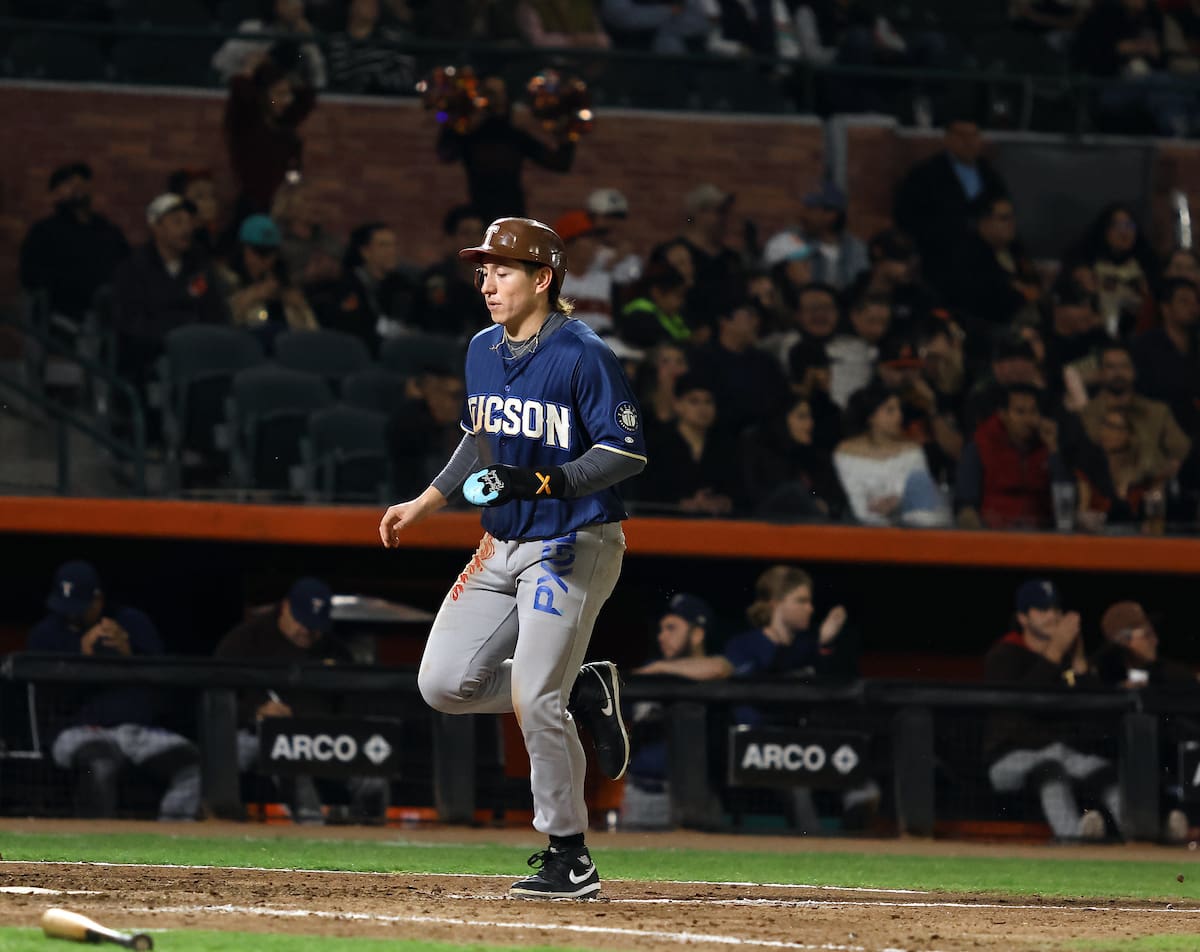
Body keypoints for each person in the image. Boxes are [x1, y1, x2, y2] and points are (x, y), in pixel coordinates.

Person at [378, 216, 646, 899]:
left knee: (532, 695)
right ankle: (582, 689)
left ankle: (569, 854)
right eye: (484, 271)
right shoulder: (480, 349)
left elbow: (626, 452)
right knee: (442, 684)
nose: (488, 283)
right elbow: (479, 438)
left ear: (542, 279)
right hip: (500, 543)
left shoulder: (584, 352)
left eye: (503, 271)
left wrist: (549, 480)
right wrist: (426, 501)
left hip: (572, 542)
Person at [28, 561, 201, 821]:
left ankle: (174, 842)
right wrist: (80, 657)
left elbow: (166, 685)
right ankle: (94, 850)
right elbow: (47, 700)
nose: (70, 615)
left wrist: (129, 654)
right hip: (78, 731)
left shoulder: (131, 623)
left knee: (192, 764)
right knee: (100, 764)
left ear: (98, 600)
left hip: (139, 732)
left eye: (79, 608)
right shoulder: (45, 634)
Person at [214, 577, 389, 824]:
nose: (307, 631)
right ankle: (310, 832)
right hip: (260, 736)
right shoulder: (247, 640)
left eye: (315, 625)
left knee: (373, 770)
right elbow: (217, 701)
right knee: (246, 754)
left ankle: (371, 835)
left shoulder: (334, 650)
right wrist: (257, 711)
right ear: (285, 608)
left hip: (323, 738)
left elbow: (353, 705)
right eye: (302, 622)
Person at [984, 579, 1121, 842]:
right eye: (1042, 610)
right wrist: (1056, 650)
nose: (1052, 616)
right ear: (1023, 618)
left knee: (1105, 771)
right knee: (1050, 769)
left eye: (1055, 610)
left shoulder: (1066, 659)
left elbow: (1097, 710)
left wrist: (1079, 661)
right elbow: (1024, 704)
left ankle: (1140, 838)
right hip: (1008, 758)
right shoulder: (1004, 655)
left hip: (1060, 752)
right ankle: (1073, 840)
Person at [111, 193, 228, 405]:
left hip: (199, 351)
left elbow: (216, 311)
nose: (187, 229)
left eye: (189, 222)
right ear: (156, 227)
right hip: (152, 358)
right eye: (177, 222)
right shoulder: (133, 269)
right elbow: (132, 325)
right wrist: (175, 337)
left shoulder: (199, 264)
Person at [622, 592, 715, 830]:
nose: (662, 636)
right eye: (661, 628)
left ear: (697, 634)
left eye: (672, 628)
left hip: (696, 794)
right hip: (640, 791)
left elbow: (721, 667)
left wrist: (661, 668)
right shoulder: (649, 673)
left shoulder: (712, 673)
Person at [436, 76, 575, 224]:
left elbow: (560, 163)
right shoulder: (470, 136)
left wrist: (569, 130)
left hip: (512, 216)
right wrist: (448, 113)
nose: (494, 99)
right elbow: (446, 153)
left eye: (498, 94)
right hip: (481, 214)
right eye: (489, 93)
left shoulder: (515, 137)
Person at [892, 116, 1009, 293]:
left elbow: (1004, 213)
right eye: (961, 136)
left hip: (983, 264)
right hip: (939, 261)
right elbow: (906, 217)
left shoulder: (989, 175)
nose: (968, 142)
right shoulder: (925, 174)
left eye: (974, 135)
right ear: (947, 139)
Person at [19, 161, 129, 324]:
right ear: (55, 193)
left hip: (108, 317)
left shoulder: (108, 231)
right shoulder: (44, 231)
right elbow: (31, 276)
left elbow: (126, 267)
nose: (77, 185)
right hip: (61, 317)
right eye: (68, 182)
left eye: (81, 180)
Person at [833, 382, 950, 527]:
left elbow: (923, 503)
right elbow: (854, 503)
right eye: (890, 410)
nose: (899, 416)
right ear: (871, 417)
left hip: (911, 534)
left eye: (899, 409)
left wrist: (898, 503)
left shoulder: (912, 451)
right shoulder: (846, 452)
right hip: (861, 532)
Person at [956, 384, 1067, 531]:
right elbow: (966, 504)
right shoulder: (981, 445)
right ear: (1003, 414)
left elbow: (1066, 499)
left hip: (1042, 537)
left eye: (1033, 411)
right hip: (994, 535)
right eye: (1020, 412)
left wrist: (1053, 449)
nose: (1028, 419)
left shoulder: (1047, 445)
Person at [1079, 341, 1191, 486]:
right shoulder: (1087, 414)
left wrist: (1162, 469)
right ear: (1100, 373)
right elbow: (1088, 460)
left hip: (1152, 491)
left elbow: (1182, 450)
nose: (1118, 373)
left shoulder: (1157, 411)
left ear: (1134, 371)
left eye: (1124, 366)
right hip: (1104, 494)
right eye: (1111, 367)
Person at [634, 372, 739, 516]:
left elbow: (738, 490)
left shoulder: (726, 445)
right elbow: (643, 491)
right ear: (678, 405)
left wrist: (723, 501)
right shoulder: (657, 443)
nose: (702, 408)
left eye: (708, 402)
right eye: (694, 401)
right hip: (665, 522)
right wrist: (680, 503)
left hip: (716, 524)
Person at [224, 56, 317, 218]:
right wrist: (250, 68)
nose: (286, 101)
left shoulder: (285, 130)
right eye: (279, 94)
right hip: (253, 205)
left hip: (281, 207)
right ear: (263, 95)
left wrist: (292, 186)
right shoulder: (247, 125)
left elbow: (293, 170)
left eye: (288, 94)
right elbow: (240, 93)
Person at [219, 214, 318, 352]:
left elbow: (312, 331)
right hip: (243, 353)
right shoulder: (225, 279)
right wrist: (254, 295)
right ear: (243, 250)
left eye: (270, 253)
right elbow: (220, 321)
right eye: (258, 252)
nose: (264, 260)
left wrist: (297, 305)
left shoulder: (286, 283)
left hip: (287, 355)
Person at [739, 394, 846, 520]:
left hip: (810, 525)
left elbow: (814, 491)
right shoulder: (759, 448)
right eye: (802, 417)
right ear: (782, 419)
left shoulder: (810, 456)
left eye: (810, 417)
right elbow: (755, 494)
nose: (810, 423)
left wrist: (817, 500)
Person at [414, 204, 491, 339]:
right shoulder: (437, 278)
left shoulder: (494, 275)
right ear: (450, 238)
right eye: (466, 233)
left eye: (479, 233)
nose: (474, 240)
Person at [212, 0, 327, 88]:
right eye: (289, 1)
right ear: (275, 4)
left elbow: (319, 80)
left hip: (289, 98)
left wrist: (309, 42)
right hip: (251, 93)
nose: (298, 5)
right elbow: (219, 65)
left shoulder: (305, 34)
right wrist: (249, 66)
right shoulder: (251, 29)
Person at [327, 0, 415, 95]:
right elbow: (339, 78)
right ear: (352, 7)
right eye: (366, 2)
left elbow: (407, 75)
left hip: (388, 100)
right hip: (348, 101)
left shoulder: (393, 38)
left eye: (375, 3)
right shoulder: (337, 41)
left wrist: (376, 81)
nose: (372, 6)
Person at [797, 181, 870, 290]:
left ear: (830, 215)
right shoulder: (793, 242)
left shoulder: (856, 249)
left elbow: (861, 288)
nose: (803, 214)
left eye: (810, 209)